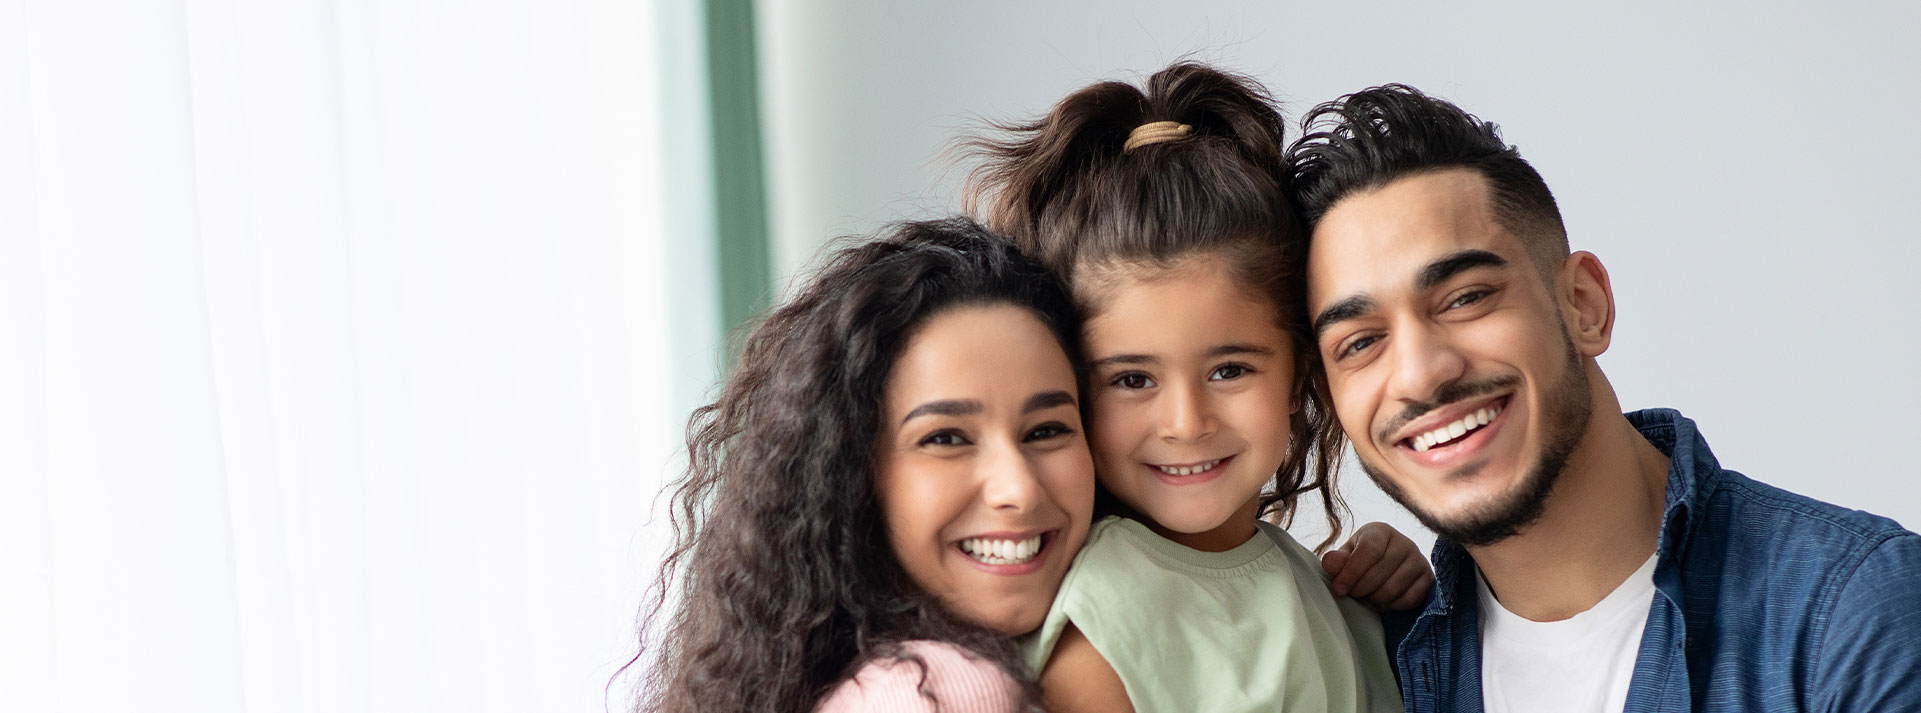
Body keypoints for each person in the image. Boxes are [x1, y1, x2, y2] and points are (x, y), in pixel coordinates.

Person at [1287, 84, 1921, 712]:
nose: (1421, 376)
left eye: (1466, 298)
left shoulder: (1855, 611)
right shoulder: (1367, 662)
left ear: (1584, 306)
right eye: (1361, 341)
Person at [966, 61, 1418, 713]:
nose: (1185, 420)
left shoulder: (1308, 579)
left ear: (1297, 373)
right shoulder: (1104, 618)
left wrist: (1404, 610)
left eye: (1228, 369)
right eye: (1131, 379)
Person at [637, 218, 1092, 713]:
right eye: (945, 438)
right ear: (851, 477)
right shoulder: (939, 692)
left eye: (1047, 430)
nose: (1018, 489)